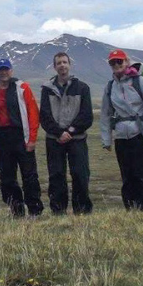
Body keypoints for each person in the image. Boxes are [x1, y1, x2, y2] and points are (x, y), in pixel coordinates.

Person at [100, 49, 143, 211]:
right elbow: (105, 113)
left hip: (139, 135)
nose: (116, 65)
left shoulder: (140, 83)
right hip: (121, 137)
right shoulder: (110, 86)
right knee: (127, 176)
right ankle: (130, 209)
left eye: (119, 61)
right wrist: (106, 139)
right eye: (113, 62)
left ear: (126, 62)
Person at [0, 58, 43, 218]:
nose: (4, 72)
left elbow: (33, 113)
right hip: (2, 139)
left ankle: (34, 210)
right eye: (1, 69)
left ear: (11, 70)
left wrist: (32, 139)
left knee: (29, 175)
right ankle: (16, 210)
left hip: (20, 137)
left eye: (6, 69)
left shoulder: (22, 88)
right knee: (7, 177)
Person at [39, 52, 94, 215]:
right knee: (56, 175)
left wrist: (69, 131)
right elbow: (45, 116)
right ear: (55, 67)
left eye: (64, 62)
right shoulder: (47, 89)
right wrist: (58, 133)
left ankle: (82, 210)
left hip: (77, 139)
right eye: (59, 63)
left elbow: (86, 116)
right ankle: (58, 210)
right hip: (54, 140)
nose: (62, 65)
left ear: (69, 65)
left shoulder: (82, 88)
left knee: (80, 174)